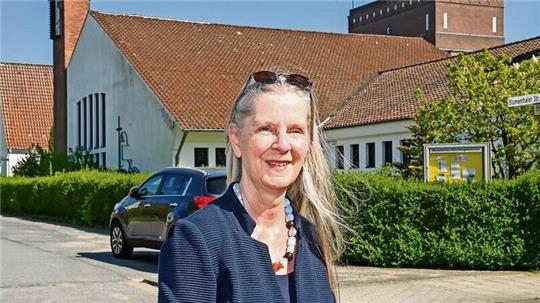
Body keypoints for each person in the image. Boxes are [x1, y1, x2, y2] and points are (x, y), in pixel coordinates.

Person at [158, 70, 343, 302]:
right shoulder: (197, 240)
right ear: (236, 140)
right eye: (267, 129)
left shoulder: (310, 237)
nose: (283, 144)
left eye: (295, 131)